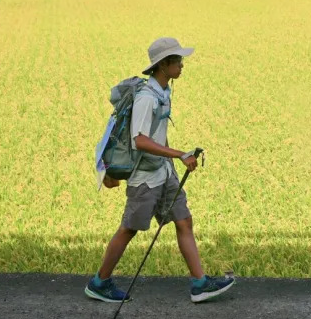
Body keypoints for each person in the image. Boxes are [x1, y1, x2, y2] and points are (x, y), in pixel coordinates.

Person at [85, 37, 235, 304]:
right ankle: (99, 282)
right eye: (177, 60)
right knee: (129, 229)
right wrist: (179, 155)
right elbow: (139, 140)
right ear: (163, 65)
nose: (182, 65)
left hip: (163, 174)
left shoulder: (163, 93)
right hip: (145, 179)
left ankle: (199, 283)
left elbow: (156, 134)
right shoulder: (146, 98)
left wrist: (171, 162)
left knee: (183, 220)